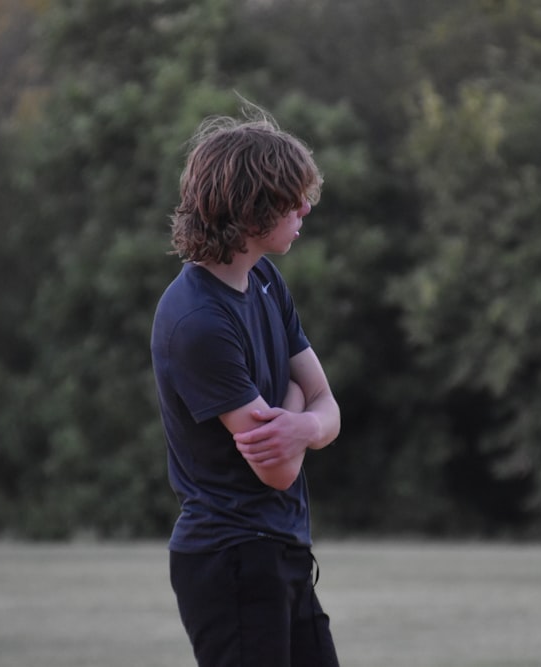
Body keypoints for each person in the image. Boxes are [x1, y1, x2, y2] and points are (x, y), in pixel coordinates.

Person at [150, 109, 341, 667]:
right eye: (291, 200)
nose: (305, 209)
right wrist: (303, 409)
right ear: (253, 211)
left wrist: (299, 421)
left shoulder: (263, 278)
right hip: (230, 559)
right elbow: (277, 469)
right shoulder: (198, 322)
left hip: (281, 548)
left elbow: (328, 407)